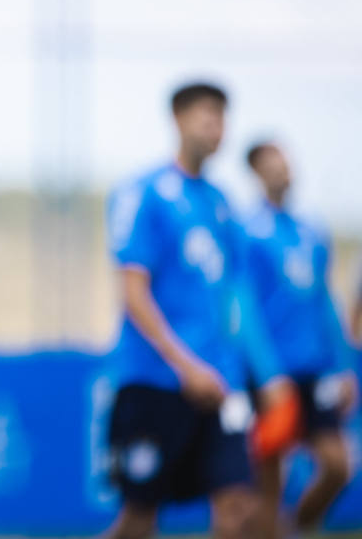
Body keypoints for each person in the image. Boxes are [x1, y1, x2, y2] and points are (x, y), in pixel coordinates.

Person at [102, 82, 292, 539]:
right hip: (156, 383)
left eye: (222, 117)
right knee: (138, 520)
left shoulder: (222, 205)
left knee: (239, 507)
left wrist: (267, 374)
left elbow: (238, 298)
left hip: (221, 386)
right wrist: (185, 366)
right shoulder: (144, 193)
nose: (215, 126)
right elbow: (133, 293)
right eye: (206, 115)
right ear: (178, 119)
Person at [240, 141, 356, 538]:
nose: (282, 171)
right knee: (268, 481)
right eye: (272, 165)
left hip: (315, 369)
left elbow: (325, 301)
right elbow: (245, 310)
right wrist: (268, 374)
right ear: (256, 173)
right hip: (273, 378)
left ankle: (299, 526)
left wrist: (342, 366)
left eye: (286, 163)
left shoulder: (311, 230)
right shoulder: (247, 232)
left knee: (338, 465)